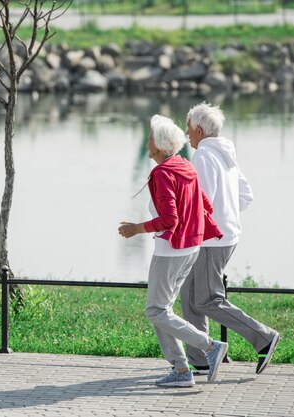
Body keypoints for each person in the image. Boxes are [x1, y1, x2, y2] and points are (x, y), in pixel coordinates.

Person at [118, 114, 228, 387]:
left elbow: (169, 219)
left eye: (150, 139)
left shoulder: (163, 172)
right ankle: (181, 371)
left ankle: (209, 346)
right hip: (190, 248)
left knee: (156, 310)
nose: (147, 145)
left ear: (159, 145)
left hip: (170, 251)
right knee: (161, 309)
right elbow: (206, 204)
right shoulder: (185, 166)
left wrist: (137, 228)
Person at [182, 102, 280, 376]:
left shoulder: (202, 156)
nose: (187, 134)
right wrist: (227, 215)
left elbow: (203, 202)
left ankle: (264, 337)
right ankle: (201, 360)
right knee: (189, 295)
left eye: (188, 129)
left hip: (209, 240)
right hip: (226, 235)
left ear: (199, 130)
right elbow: (246, 195)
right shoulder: (226, 154)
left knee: (206, 300)